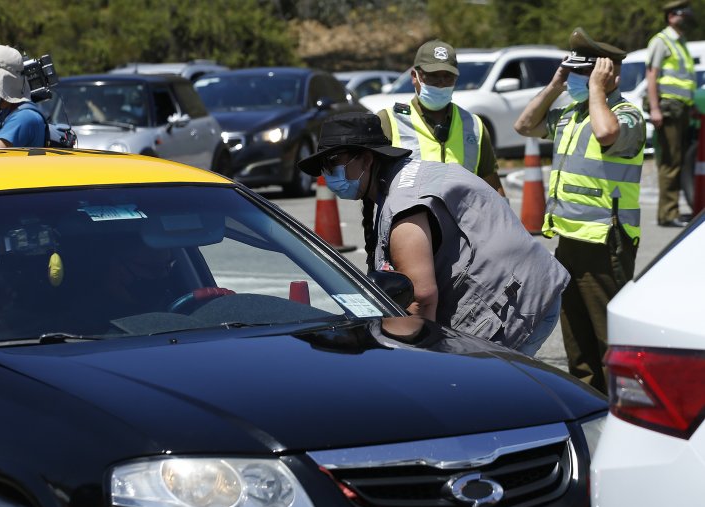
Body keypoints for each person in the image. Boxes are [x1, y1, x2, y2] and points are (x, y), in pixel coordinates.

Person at [298, 112, 569, 356]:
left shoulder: (403, 203)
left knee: (483, 394)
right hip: (525, 284)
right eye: (323, 166)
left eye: (332, 163)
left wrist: (417, 361)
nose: (327, 174)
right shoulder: (404, 176)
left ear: (367, 159)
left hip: (521, 300)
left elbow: (421, 298)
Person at [513, 27, 646, 392]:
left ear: (609, 76)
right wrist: (556, 83)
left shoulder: (627, 116)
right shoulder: (572, 115)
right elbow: (524, 125)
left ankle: (625, 408)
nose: (577, 81)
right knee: (577, 341)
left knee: (609, 338)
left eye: (584, 74)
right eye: (574, 73)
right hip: (570, 241)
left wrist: (597, 91)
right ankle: (591, 405)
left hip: (607, 243)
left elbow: (607, 134)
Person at [377, 40, 505, 196]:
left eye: (448, 77)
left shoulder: (474, 125)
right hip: (409, 219)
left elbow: (491, 185)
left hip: (462, 219)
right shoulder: (389, 121)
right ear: (414, 76)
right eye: (432, 76)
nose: (441, 83)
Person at [647, 1, 697, 228]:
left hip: (682, 109)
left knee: (677, 160)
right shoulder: (661, 41)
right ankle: (668, 214)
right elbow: (651, 76)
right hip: (669, 109)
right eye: (680, 13)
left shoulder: (680, 42)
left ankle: (673, 210)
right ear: (670, 16)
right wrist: (655, 108)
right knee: (669, 161)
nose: (685, 17)